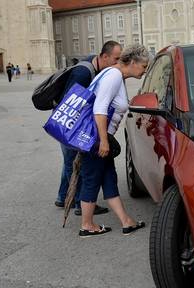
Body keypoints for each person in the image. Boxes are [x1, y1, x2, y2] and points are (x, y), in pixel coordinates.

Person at [78, 44, 149, 237]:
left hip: (100, 137)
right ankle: (86, 225)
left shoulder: (113, 74)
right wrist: (103, 141)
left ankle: (126, 221)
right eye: (143, 66)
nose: (145, 70)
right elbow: (99, 109)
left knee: (109, 177)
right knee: (92, 179)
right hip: (96, 138)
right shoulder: (113, 76)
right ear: (133, 62)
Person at [55, 41, 122, 216]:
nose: (118, 63)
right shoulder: (83, 72)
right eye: (116, 59)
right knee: (72, 162)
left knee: (68, 161)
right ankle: (79, 203)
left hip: (70, 124)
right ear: (104, 56)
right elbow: (70, 101)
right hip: (69, 125)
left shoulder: (96, 67)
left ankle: (62, 197)